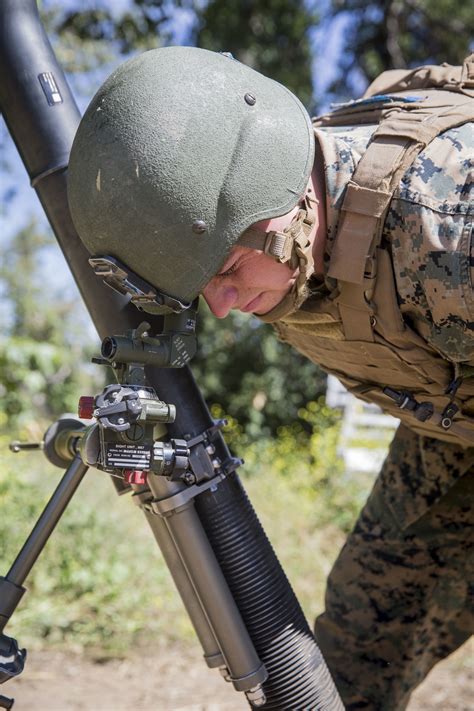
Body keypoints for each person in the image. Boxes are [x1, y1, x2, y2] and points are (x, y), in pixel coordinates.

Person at [67, 46, 474, 710]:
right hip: (453, 415)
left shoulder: (446, 218)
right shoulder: (270, 238)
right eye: (204, 288)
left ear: (278, 198)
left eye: (228, 270)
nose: (224, 305)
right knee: (361, 632)